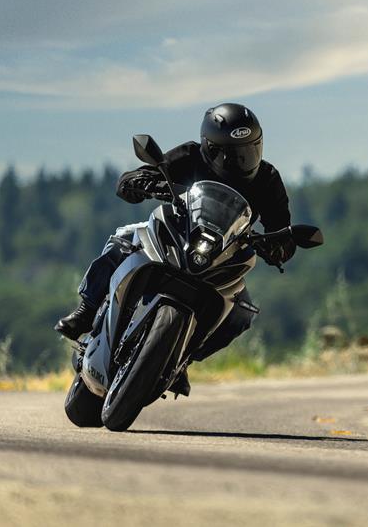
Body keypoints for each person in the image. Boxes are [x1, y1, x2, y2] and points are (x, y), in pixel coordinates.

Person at [54, 103, 295, 394]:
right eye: (228, 153)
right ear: (209, 146)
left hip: (225, 256)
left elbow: (281, 225)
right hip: (175, 235)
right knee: (123, 242)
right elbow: (137, 176)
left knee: (242, 314)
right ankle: (87, 308)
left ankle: (181, 360)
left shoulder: (267, 179)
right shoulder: (190, 155)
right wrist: (141, 182)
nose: (239, 160)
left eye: (248, 151)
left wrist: (281, 245)